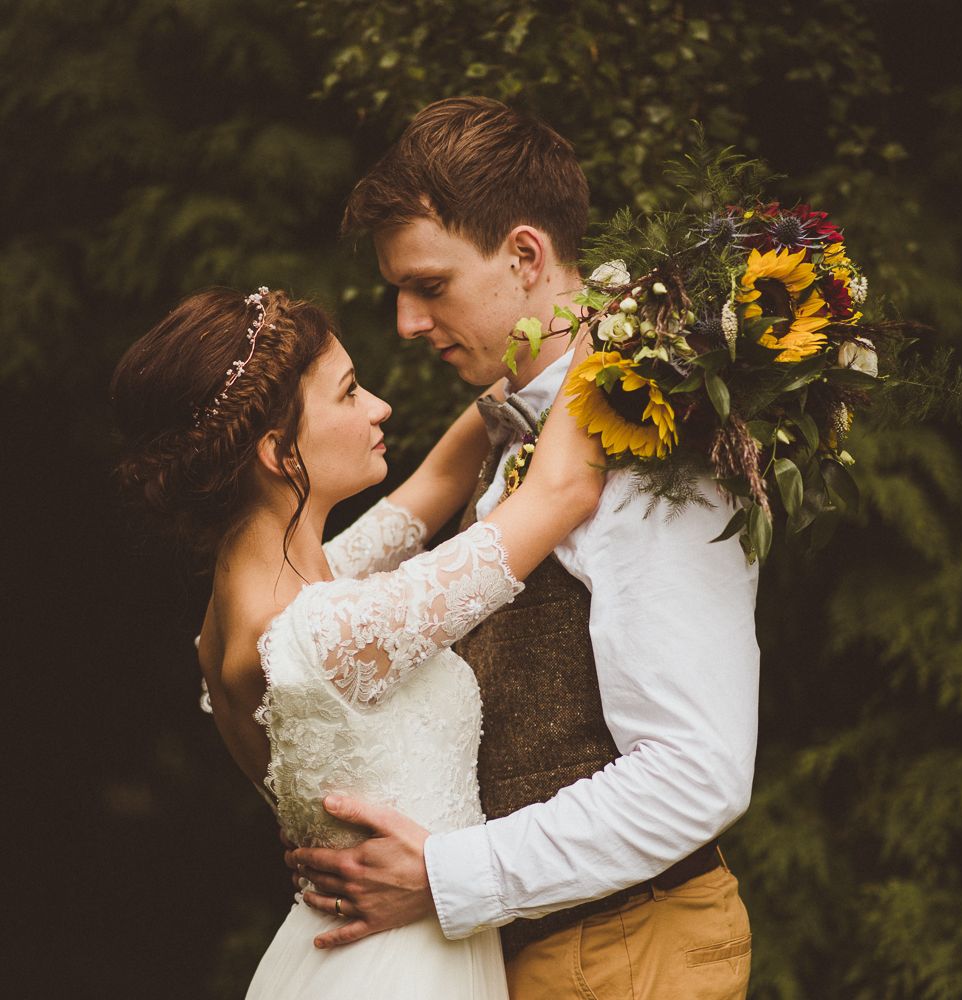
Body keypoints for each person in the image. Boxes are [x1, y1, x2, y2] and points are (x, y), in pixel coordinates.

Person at [288, 97, 760, 999]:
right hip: (552, 951)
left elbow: (696, 772)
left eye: (430, 286)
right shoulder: (513, 425)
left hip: (627, 951)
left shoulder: (654, 446)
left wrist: (449, 875)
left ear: (526, 255)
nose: (407, 324)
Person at [110, 285, 604, 999]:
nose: (380, 406)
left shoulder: (256, 606)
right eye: (348, 394)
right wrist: (617, 323)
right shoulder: (325, 636)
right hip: (401, 972)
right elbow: (562, 492)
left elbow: (436, 480)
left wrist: (533, 352)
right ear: (279, 451)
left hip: (336, 959)